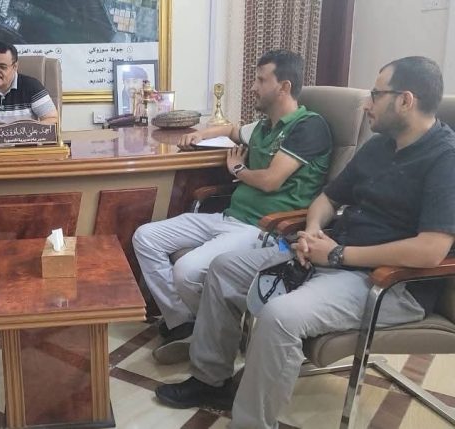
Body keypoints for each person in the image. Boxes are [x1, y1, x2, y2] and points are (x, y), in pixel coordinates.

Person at [155, 56, 455, 428]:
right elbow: (328, 198)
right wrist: (313, 231)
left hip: (388, 282)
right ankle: (209, 380)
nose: (367, 103)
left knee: (280, 317)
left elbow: (431, 249)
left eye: (376, 95)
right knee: (224, 268)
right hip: (332, 253)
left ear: (406, 100)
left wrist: (340, 254)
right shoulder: (380, 146)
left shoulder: (445, 160)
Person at [132, 50, 332, 362]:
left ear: (284, 87)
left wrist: (238, 170)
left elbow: (271, 181)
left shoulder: (308, 127)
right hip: (229, 217)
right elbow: (229, 129)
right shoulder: (266, 126)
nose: (253, 87)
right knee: (146, 237)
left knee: (186, 271)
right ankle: (185, 323)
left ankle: (213, 335)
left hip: (263, 228)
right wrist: (199, 134)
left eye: (261, 80)